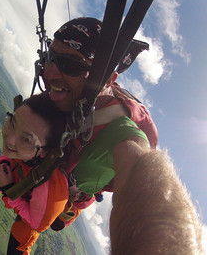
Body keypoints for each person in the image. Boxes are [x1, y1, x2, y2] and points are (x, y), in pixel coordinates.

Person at [40, 17, 203, 254]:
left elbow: (141, 167)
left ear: (106, 80)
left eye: (70, 65)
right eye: (49, 57)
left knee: (56, 219)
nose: (49, 71)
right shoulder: (74, 93)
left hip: (77, 187)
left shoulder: (118, 126)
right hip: (66, 166)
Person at [0, 92, 82, 254]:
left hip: (34, 216)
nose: (10, 139)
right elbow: (14, 156)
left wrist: (8, 188)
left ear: (46, 152)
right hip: (25, 188)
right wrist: (4, 164)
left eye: (25, 139)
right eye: (12, 122)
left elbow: (36, 224)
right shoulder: (31, 150)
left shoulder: (50, 189)